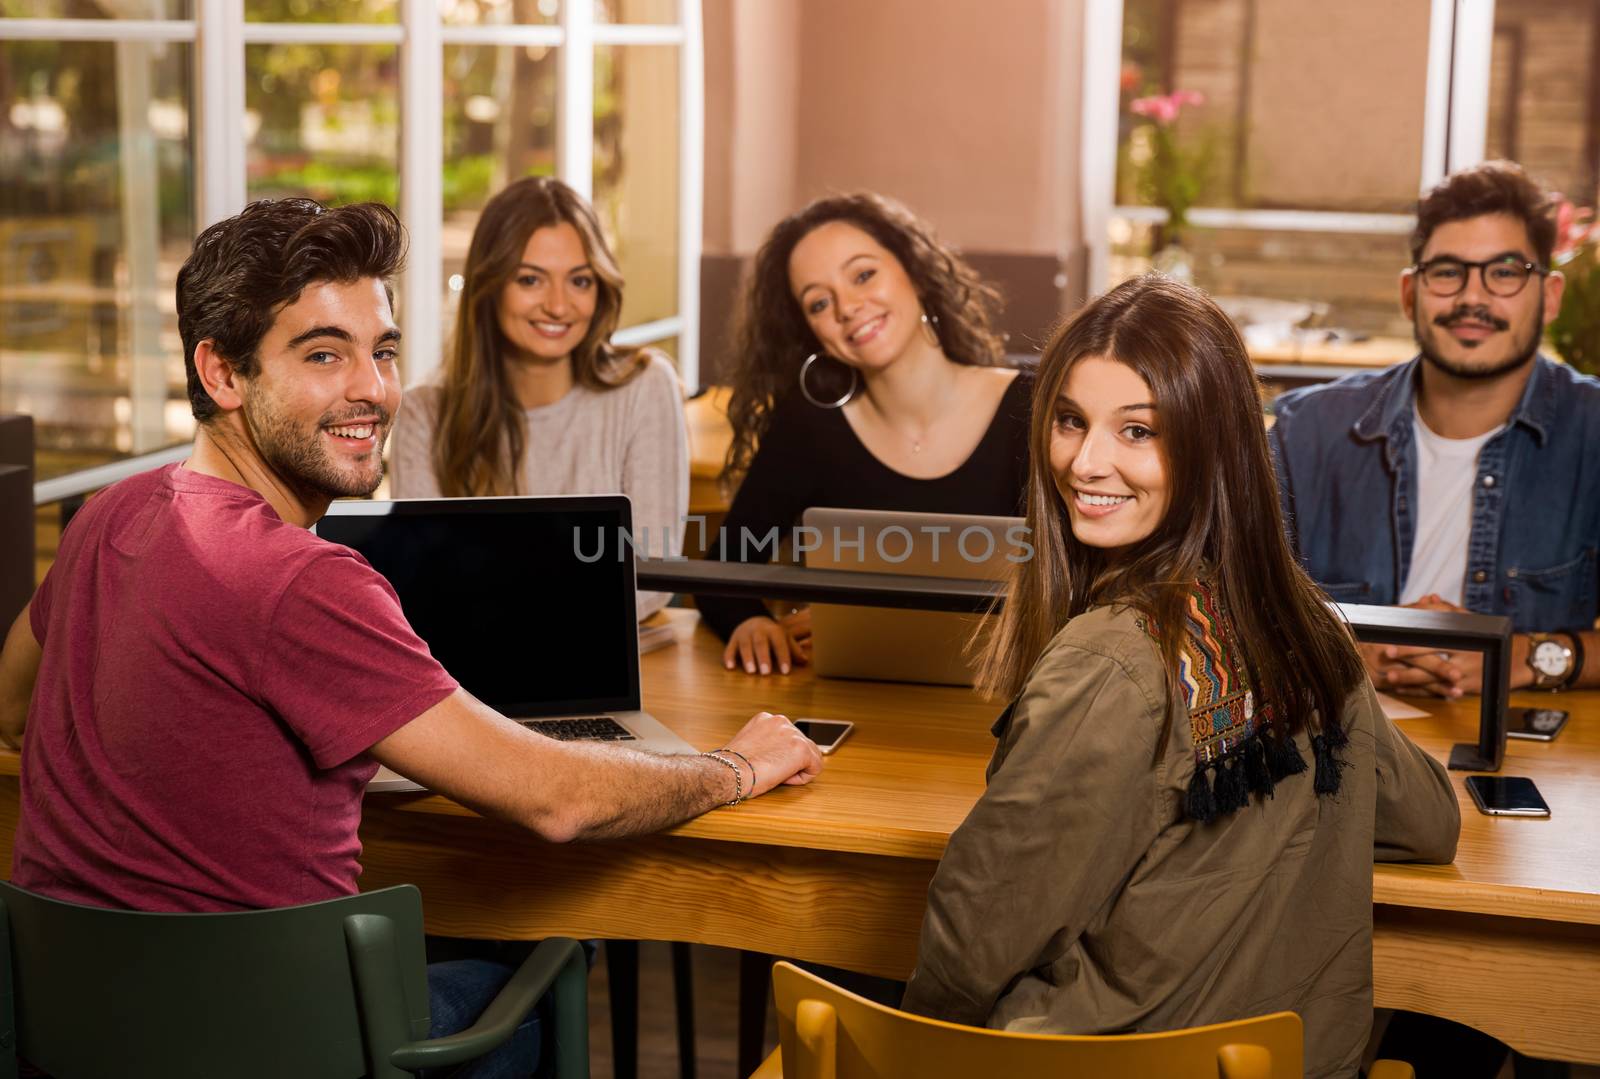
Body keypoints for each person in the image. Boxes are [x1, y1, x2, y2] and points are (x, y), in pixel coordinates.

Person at [0, 198, 821, 1077]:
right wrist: (736, 766)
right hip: (279, 1046)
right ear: (222, 372)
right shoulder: (301, 581)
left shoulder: (112, 513)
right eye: (323, 354)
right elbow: (559, 800)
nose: (372, 388)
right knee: (551, 957)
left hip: (84, 1030)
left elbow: (12, 709)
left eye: (382, 350)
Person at [900, 274, 1459, 1079]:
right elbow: (1430, 821)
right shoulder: (1303, 627)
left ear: (1213, 444)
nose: (1086, 462)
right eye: (1069, 420)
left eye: (1138, 431)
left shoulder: (1112, 664)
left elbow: (976, 936)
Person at [1272, 160, 1600, 701]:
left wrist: (1528, 656)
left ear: (1550, 295)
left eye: (1506, 271)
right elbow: (1216, 601)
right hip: (1338, 749)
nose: (1474, 297)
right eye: (1447, 271)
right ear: (1409, 294)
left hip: (1524, 759)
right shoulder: (1301, 433)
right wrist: (1342, 651)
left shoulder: (1591, 434)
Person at [700, 192, 1030, 675]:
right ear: (811, 331)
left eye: (863, 275)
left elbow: (1091, 582)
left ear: (915, 271)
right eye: (818, 302)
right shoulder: (810, 428)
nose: (848, 307)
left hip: (1008, 706)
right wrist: (750, 622)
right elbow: (719, 571)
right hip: (857, 707)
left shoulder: (1034, 408)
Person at [390, 176, 688, 619]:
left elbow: (651, 578)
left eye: (580, 281)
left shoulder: (645, 386)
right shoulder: (423, 412)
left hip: (614, 658)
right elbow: (427, 583)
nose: (559, 305)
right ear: (488, 287)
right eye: (531, 280)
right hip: (473, 667)